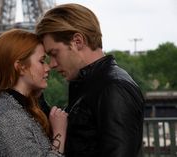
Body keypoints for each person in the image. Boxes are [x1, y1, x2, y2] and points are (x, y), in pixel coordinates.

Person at [36, 3, 144, 157]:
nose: (52, 64)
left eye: (54, 53)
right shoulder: (92, 83)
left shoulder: (113, 87)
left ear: (77, 41)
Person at [0, 29, 68, 157]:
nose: (48, 67)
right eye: (41, 61)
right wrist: (59, 134)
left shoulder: (17, 107)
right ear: (21, 67)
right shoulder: (9, 118)